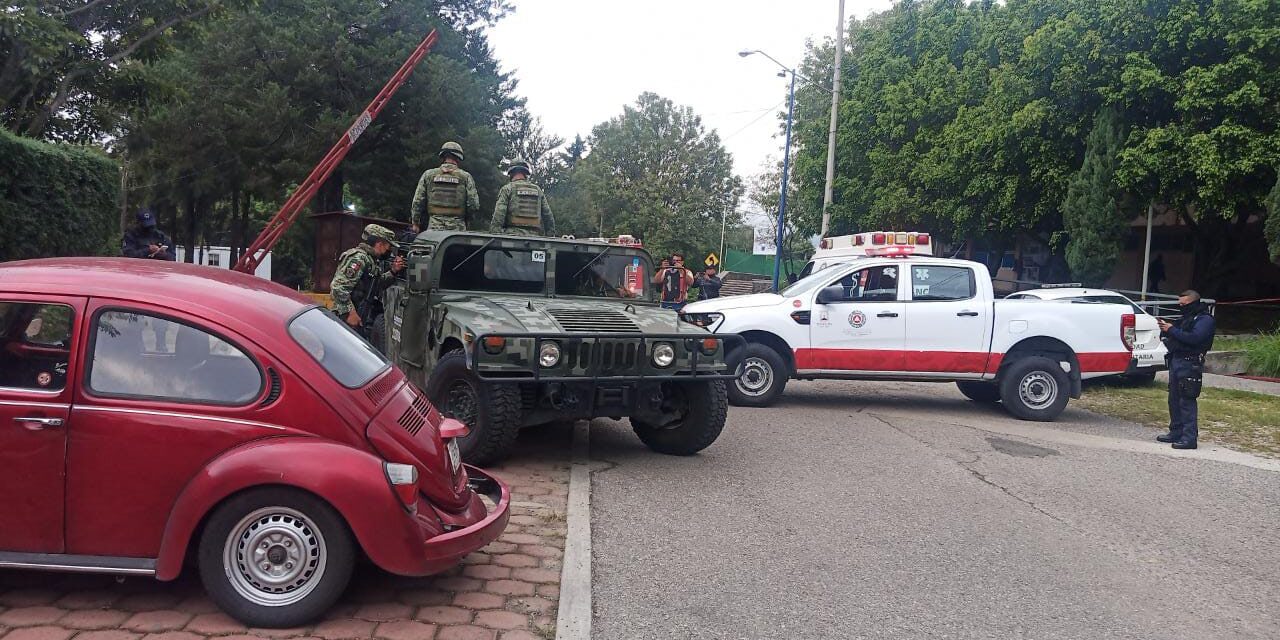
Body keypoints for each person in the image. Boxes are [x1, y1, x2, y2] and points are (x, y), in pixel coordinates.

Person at [1156, 289, 1216, 450]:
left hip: (1190, 363)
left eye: (1184, 304)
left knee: (1186, 400)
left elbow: (1195, 338)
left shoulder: (1204, 320)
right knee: (1173, 399)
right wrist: (1166, 331)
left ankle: (1189, 438)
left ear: (1194, 302)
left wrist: (1172, 330)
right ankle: (1176, 432)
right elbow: (1175, 336)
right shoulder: (1185, 319)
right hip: (1176, 360)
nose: (1181, 307)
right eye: (1179, 304)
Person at [330, 224, 405, 342]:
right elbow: (338, 287)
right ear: (379, 244)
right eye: (388, 246)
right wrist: (350, 313)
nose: (389, 251)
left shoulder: (371, 261)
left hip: (358, 317)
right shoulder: (358, 258)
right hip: (344, 319)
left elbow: (376, 285)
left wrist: (393, 271)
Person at [409, 141, 480, 232]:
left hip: (434, 226)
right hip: (457, 228)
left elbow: (418, 201)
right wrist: (468, 220)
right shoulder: (465, 177)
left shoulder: (428, 175)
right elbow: (473, 204)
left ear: (443, 156)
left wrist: (415, 223)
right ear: (458, 158)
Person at [491, 160, 555, 236]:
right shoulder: (538, 190)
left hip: (512, 237)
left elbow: (499, 214)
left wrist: (494, 235)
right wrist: (549, 238)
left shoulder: (507, 189)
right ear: (525, 174)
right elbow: (548, 215)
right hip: (535, 238)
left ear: (511, 173)